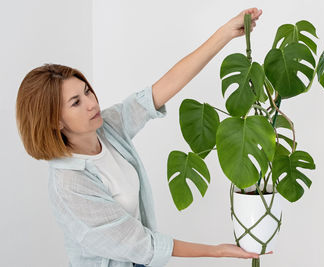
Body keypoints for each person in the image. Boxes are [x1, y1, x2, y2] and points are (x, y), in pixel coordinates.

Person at [15, 7, 271, 267]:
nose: (91, 103)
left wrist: (225, 32)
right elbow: (143, 244)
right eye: (76, 102)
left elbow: (160, 90)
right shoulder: (70, 184)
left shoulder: (105, 128)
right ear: (54, 121)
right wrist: (217, 252)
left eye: (87, 91)